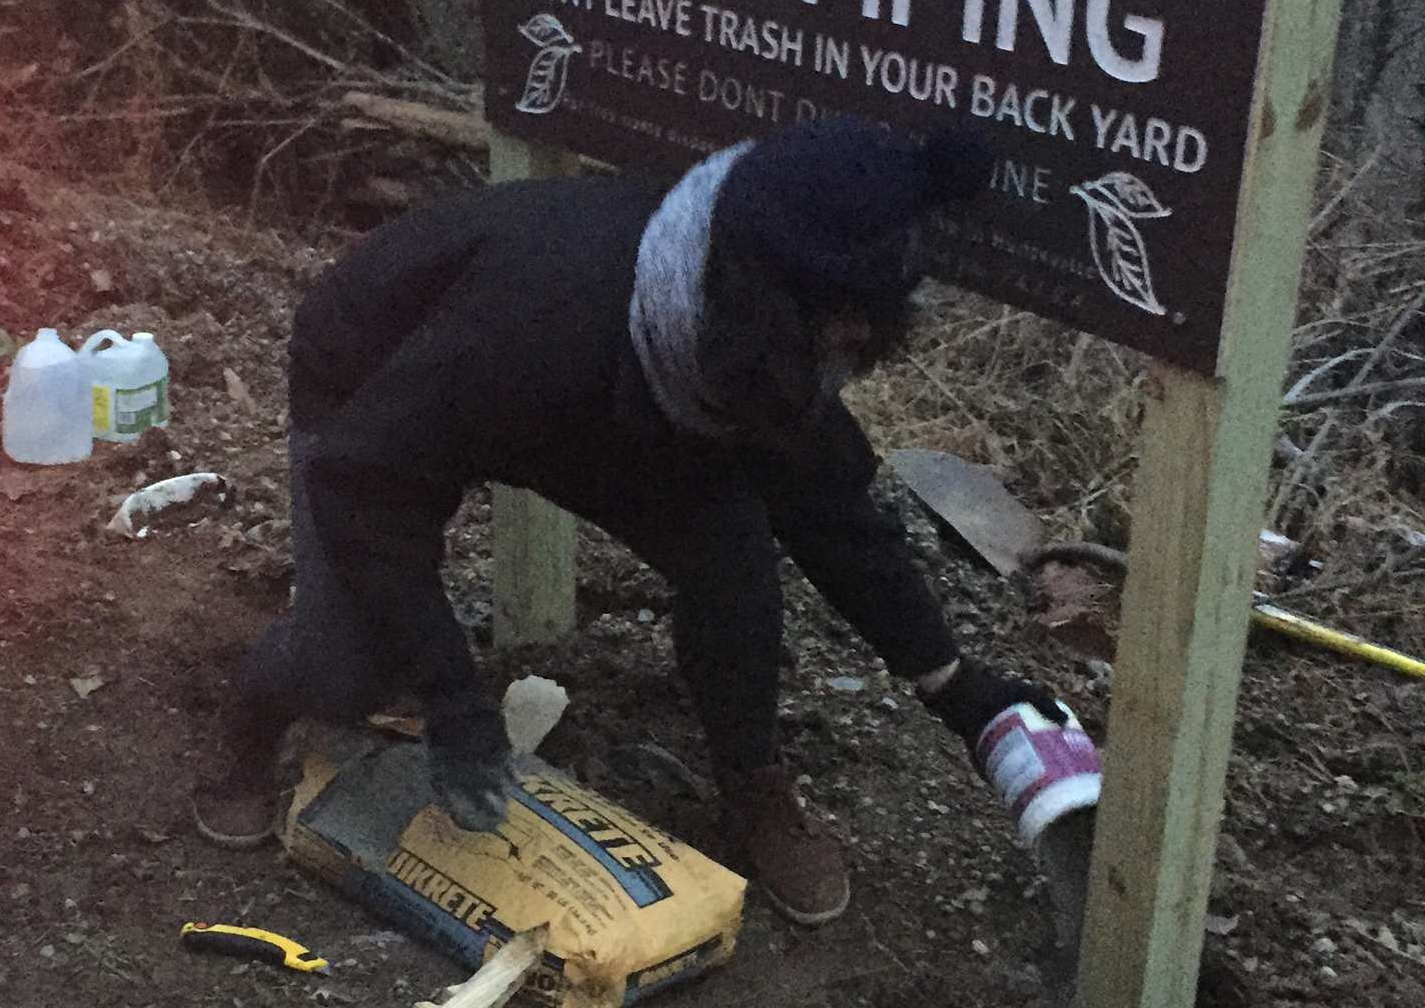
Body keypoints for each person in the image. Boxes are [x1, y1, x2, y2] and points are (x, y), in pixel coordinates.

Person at [193, 115, 1063, 923]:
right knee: (351, 662)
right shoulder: (531, 321)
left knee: (734, 567)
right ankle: (251, 723)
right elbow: (368, 487)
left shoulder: (757, 348)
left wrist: (956, 687)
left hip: (613, 406)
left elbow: (834, 514)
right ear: (762, 299)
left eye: (858, 340)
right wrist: (453, 696)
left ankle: (752, 782)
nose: (844, 357)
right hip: (376, 381)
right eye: (829, 337)